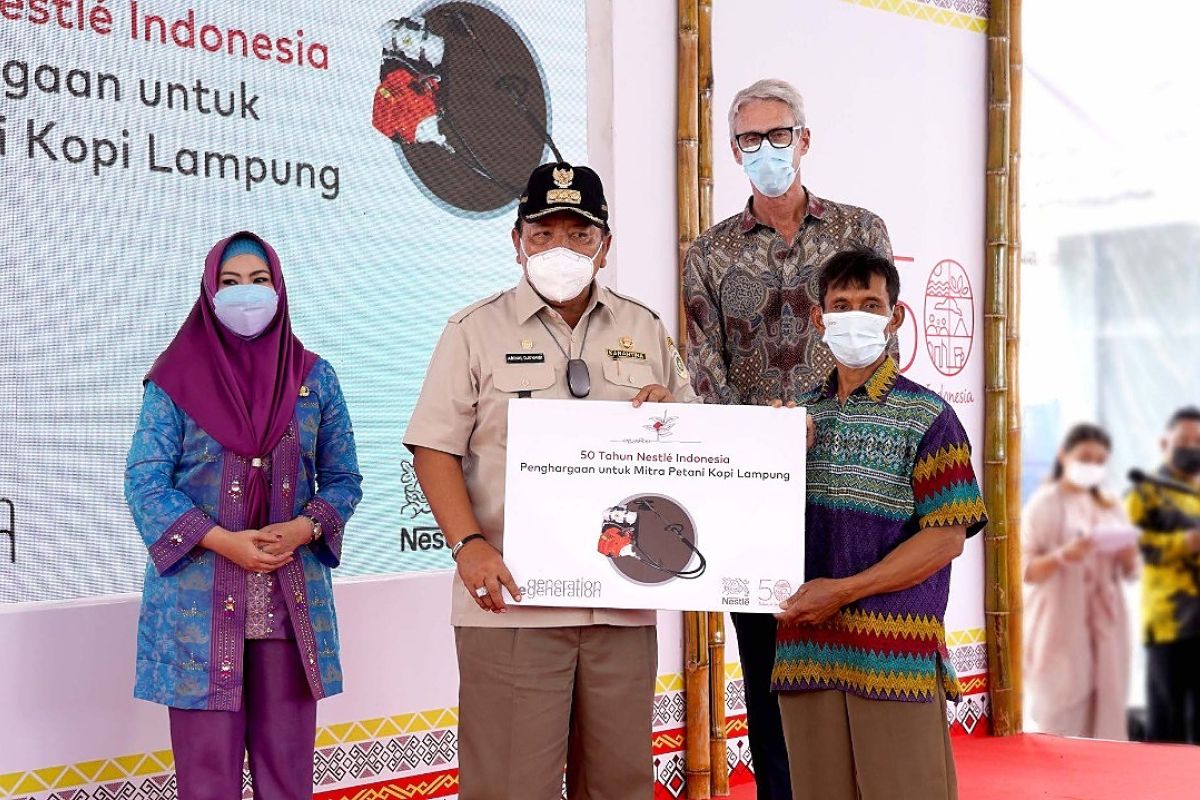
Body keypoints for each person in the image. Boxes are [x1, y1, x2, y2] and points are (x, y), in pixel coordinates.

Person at [404, 162, 698, 800]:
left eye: (579, 234)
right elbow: (433, 447)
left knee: (620, 786)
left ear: (604, 246)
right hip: (511, 602)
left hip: (620, 602)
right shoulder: (473, 330)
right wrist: (467, 545)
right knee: (511, 787)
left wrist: (670, 420)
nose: (559, 248)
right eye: (543, 234)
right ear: (517, 241)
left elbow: (695, 446)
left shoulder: (644, 329)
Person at [683, 77, 893, 800]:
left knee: (858, 658)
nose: (766, 149)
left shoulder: (860, 231)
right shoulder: (708, 254)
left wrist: (826, 421)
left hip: (851, 482)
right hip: (755, 496)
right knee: (772, 675)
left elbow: (882, 346)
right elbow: (702, 368)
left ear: (804, 140)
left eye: (779, 134)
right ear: (733, 150)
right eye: (751, 138)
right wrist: (759, 442)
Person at [124, 233, 363, 800]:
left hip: (287, 609)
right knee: (207, 782)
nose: (246, 295)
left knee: (288, 779)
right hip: (198, 615)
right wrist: (222, 541)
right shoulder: (174, 382)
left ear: (279, 288)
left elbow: (344, 479)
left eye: (259, 281)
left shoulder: (314, 378)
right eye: (230, 284)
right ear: (209, 293)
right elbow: (145, 483)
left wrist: (304, 528)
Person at [773, 248, 987, 800]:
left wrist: (843, 592)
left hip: (894, 656)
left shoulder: (929, 416)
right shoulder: (794, 420)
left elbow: (946, 539)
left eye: (871, 305)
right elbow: (754, 520)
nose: (855, 317)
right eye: (841, 305)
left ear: (895, 318)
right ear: (819, 319)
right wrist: (772, 453)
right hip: (808, 653)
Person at [1022, 424, 1138, 739]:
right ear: (1064, 455)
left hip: (1107, 627)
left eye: (1100, 461)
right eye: (1085, 458)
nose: (1092, 466)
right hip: (1059, 625)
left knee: (1107, 718)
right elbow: (1026, 570)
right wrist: (1064, 555)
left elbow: (1131, 572)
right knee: (1060, 717)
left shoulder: (1110, 505)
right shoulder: (1044, 504)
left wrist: (1128, 554)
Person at [1128, 406, 1200, 743]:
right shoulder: (1145, 491)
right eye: (1184, 440)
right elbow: (1132, 544)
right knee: (1167, 722)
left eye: (1198, 442)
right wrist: (1185, 542)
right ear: (1164, 442)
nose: (1192, 448)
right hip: (1169, 621)